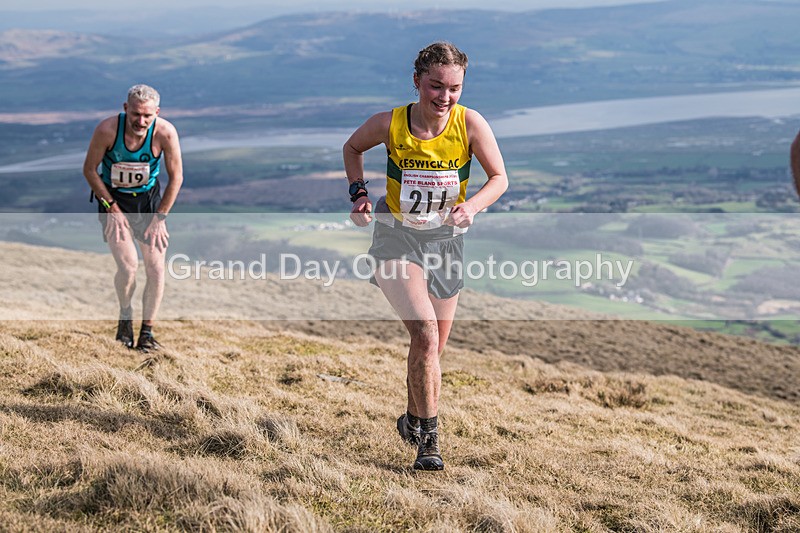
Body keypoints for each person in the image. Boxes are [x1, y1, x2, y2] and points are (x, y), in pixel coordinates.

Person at [343, 42, 508, 470]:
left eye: (454, 88)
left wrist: (471, 207)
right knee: (426, 335)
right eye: (436, 86)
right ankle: (429, 443)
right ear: (417, 81)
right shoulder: (389, 123)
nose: (445, 97)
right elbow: (352, 148)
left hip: (446, 242)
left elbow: (499, 178)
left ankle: (413, 418)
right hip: (396, 237)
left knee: (431, 351)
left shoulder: (470, 124)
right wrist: (359, 194)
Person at [83, 84, 184, 352]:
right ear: (126, 108)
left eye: (147, 116)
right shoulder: (107, 130)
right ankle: (125, 316)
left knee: (156, 268)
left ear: (157, 113)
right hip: (114, 201)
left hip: (149, 204)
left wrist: (160, 218)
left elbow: (177, 178)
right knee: (128, 268)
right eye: (136, 114)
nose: (141, 121)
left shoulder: (165, 132)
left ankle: (147, 334)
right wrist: (112, 209)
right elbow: (90, 170)